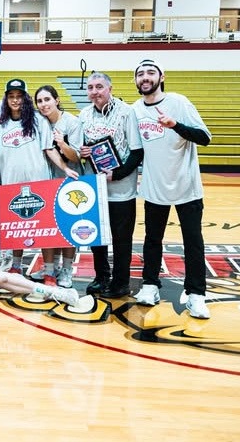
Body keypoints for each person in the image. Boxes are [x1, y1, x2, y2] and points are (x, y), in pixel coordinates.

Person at [131, 59, 212, 319]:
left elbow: (205, 138)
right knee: (152, 239)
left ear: (161, 76)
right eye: (140, 74)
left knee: (193, 241)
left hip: (187, 186)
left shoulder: (178, 102)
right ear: (136, 81)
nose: (145, 77)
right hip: (155, 186)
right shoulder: (135, 110)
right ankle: (150, 285)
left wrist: (175, 125)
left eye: (150, 73)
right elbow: (136, 152)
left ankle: (196, 294)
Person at [0, 79, 79, 275]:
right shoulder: (1, 125)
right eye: (11, 96)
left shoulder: (38, 120)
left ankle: (49, 271)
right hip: (11, 186)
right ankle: (16, 267)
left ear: (25, 98)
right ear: (6, 99)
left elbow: (48, 148)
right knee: (17, 229)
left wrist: (65, 167)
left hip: (39, 184)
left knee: (44, 230)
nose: (15, 100)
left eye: (19, 96)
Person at [78, 72, 142, 298]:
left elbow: (137, 152)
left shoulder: (127, 112)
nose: (94, 92)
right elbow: (82, 148)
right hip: (95, 187)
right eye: (90, 87)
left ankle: (121, 281)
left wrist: (116, 174)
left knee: (121, 238)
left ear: (110, 88)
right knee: (97, 236)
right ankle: (101, 276)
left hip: (121, 189)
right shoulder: (84, 114)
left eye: (99, 87)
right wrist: (83, 151)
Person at [33, 85, 83, 288]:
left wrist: (62, 144)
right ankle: (50, 268)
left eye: (47, 99)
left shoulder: (71, 122)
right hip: (46, 180)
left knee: (68, 228)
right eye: (40, 101)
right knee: (49, 228)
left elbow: (76, 156)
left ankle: (67, 270)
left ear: (57, 100)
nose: (44, 104)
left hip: (71, 180)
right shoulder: (38, 122)